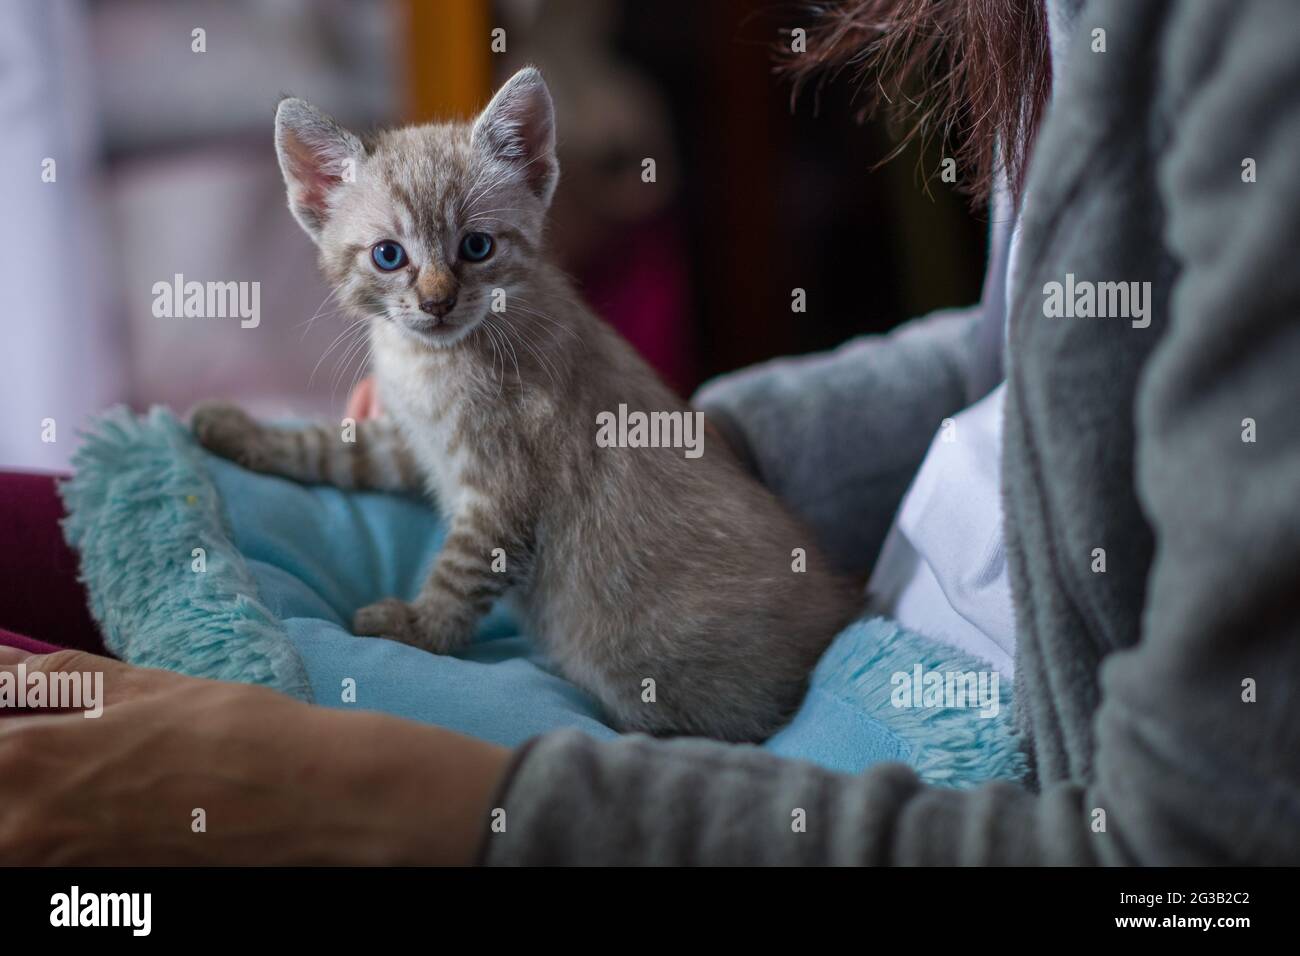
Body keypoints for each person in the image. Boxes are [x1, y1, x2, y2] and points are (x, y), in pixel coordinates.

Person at [3, 0, 1299, 865]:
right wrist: (674, 461)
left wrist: (395, 805)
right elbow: (1024, 355)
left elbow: (1189, 867)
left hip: (928, 758)